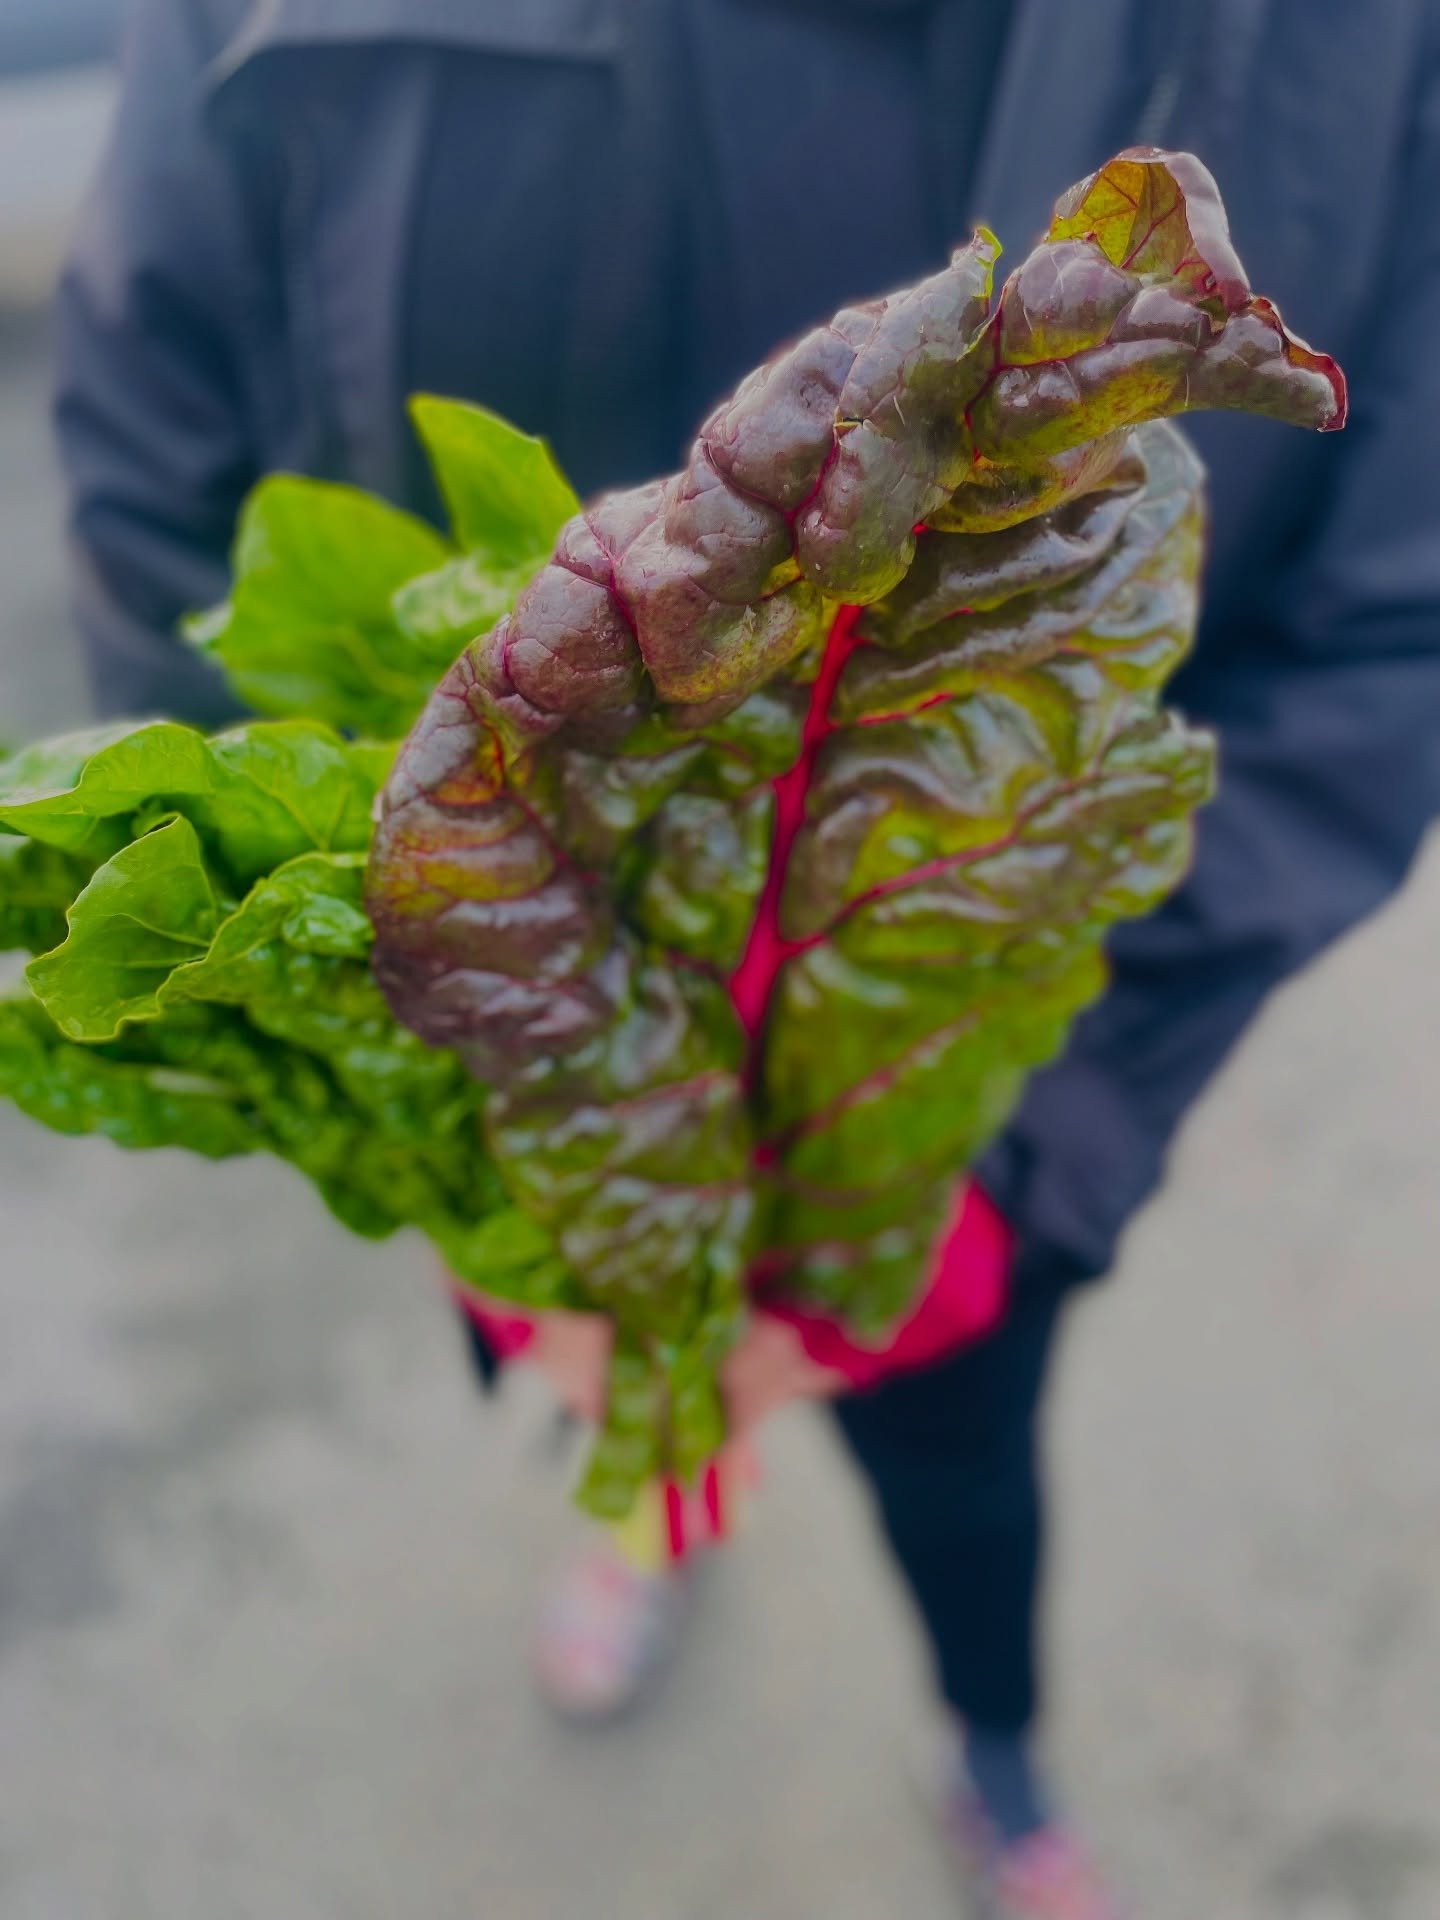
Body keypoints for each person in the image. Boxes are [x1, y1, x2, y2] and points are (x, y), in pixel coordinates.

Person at [52, 3, 1440, 1915]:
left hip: (959, 1142)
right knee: (613, 1370)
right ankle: (650, 1514)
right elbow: (155, 444)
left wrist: (1016, 1177)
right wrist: (463, 1107)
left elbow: (1385, 637)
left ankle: (995, 1746)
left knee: (959, 1473)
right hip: (511, 1047)